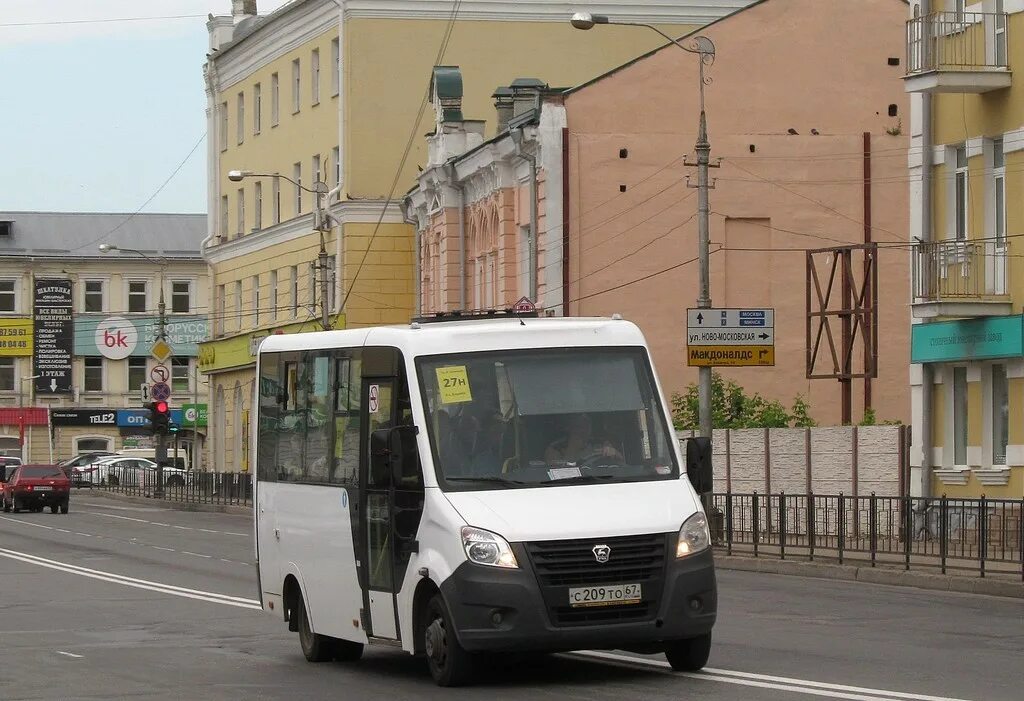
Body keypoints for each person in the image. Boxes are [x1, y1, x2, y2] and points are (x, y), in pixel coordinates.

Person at [544, 413, 623, 465]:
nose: (583, 430)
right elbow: (555, 472)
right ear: (570, 428)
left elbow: (622, 463)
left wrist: (614, 452)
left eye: (587, 425)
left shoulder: (601, 443)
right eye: (579, 426)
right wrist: (573, 448)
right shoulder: (555, 448)